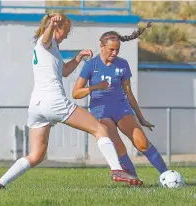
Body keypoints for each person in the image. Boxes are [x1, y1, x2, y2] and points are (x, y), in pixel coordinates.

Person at [0, 13, 143, 189]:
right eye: (66, 31)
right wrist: (50, 26)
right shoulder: (45, 41)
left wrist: (78, 58)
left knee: (37, 155)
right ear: (57, 28)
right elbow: (46, 37)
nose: (66, 35)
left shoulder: (51, 48)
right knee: (100, 129)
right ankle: (117, 169)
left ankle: (0, 183)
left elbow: (64, 71)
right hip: (53, 102)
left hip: (36, 106)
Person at [72, 23, 167, 178]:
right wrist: (95, 87)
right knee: (119, 146)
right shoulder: (91, 65)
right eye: (111, 49)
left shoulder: (123, 64)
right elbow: (76, 93)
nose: (115, 53)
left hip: (121, 108)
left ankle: (167, 175)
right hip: (100, 111)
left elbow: (129, 93)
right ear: (102, 46)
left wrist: (141, 118)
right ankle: (134, 179)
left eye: (117, 50)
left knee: (142, 142)